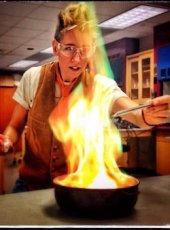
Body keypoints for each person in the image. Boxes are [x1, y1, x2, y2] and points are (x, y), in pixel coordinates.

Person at [0, 2, 170, 193]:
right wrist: (6, 141)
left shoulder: (99, 85)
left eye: (85, 49)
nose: (77, 58)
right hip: (29, 185)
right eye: (69, 48)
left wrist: (147, 114)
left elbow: (132, 110)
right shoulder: (32, 77)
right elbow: (15, 126)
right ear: (55, 48)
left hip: (74, 187)